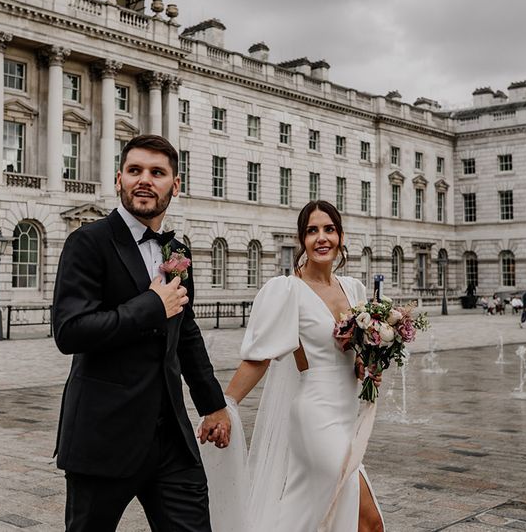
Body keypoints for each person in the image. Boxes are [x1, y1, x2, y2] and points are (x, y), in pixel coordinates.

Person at [52, 134, 231, 532]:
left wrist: (212, 405)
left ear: (175, 184)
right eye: (135, 171)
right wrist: (151, 305)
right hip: (103, 437)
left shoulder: (177, 250)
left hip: (171, 439)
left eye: (157, 172)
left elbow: (186, 333)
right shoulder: (87, 242)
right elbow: (70, 331)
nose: (144, 180)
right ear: (119, 180)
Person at [204, 200, 384, 532]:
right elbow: (259, 358)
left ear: (341, 235)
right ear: (302, 240)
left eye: (329, 229)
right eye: (312, 231)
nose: (321, 238)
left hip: (347, 417)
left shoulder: (355, 289)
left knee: (315, 517)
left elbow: (362, 357)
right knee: (367, 520)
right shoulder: (288, 290)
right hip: (315, 417)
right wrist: (223, 406)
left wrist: (369, 362)